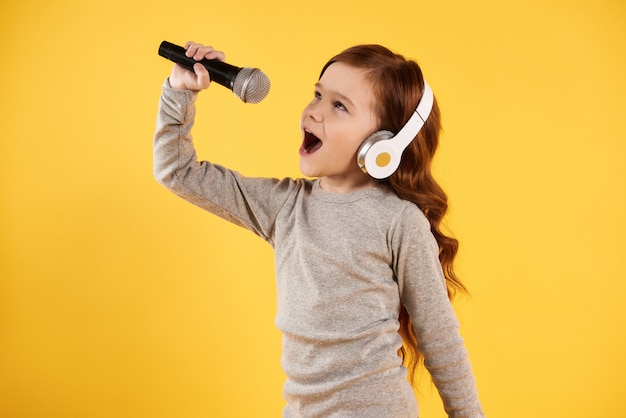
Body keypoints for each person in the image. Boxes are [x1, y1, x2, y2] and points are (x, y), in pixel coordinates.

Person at [153, 41, 484, 418]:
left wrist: (469, 414)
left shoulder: (400, 222)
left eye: (339, 105)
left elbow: (439, 336)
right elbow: (177, 172)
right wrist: (179, 93)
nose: (313, 112)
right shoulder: (285, 206)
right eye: (317, 95)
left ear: (383, 146)